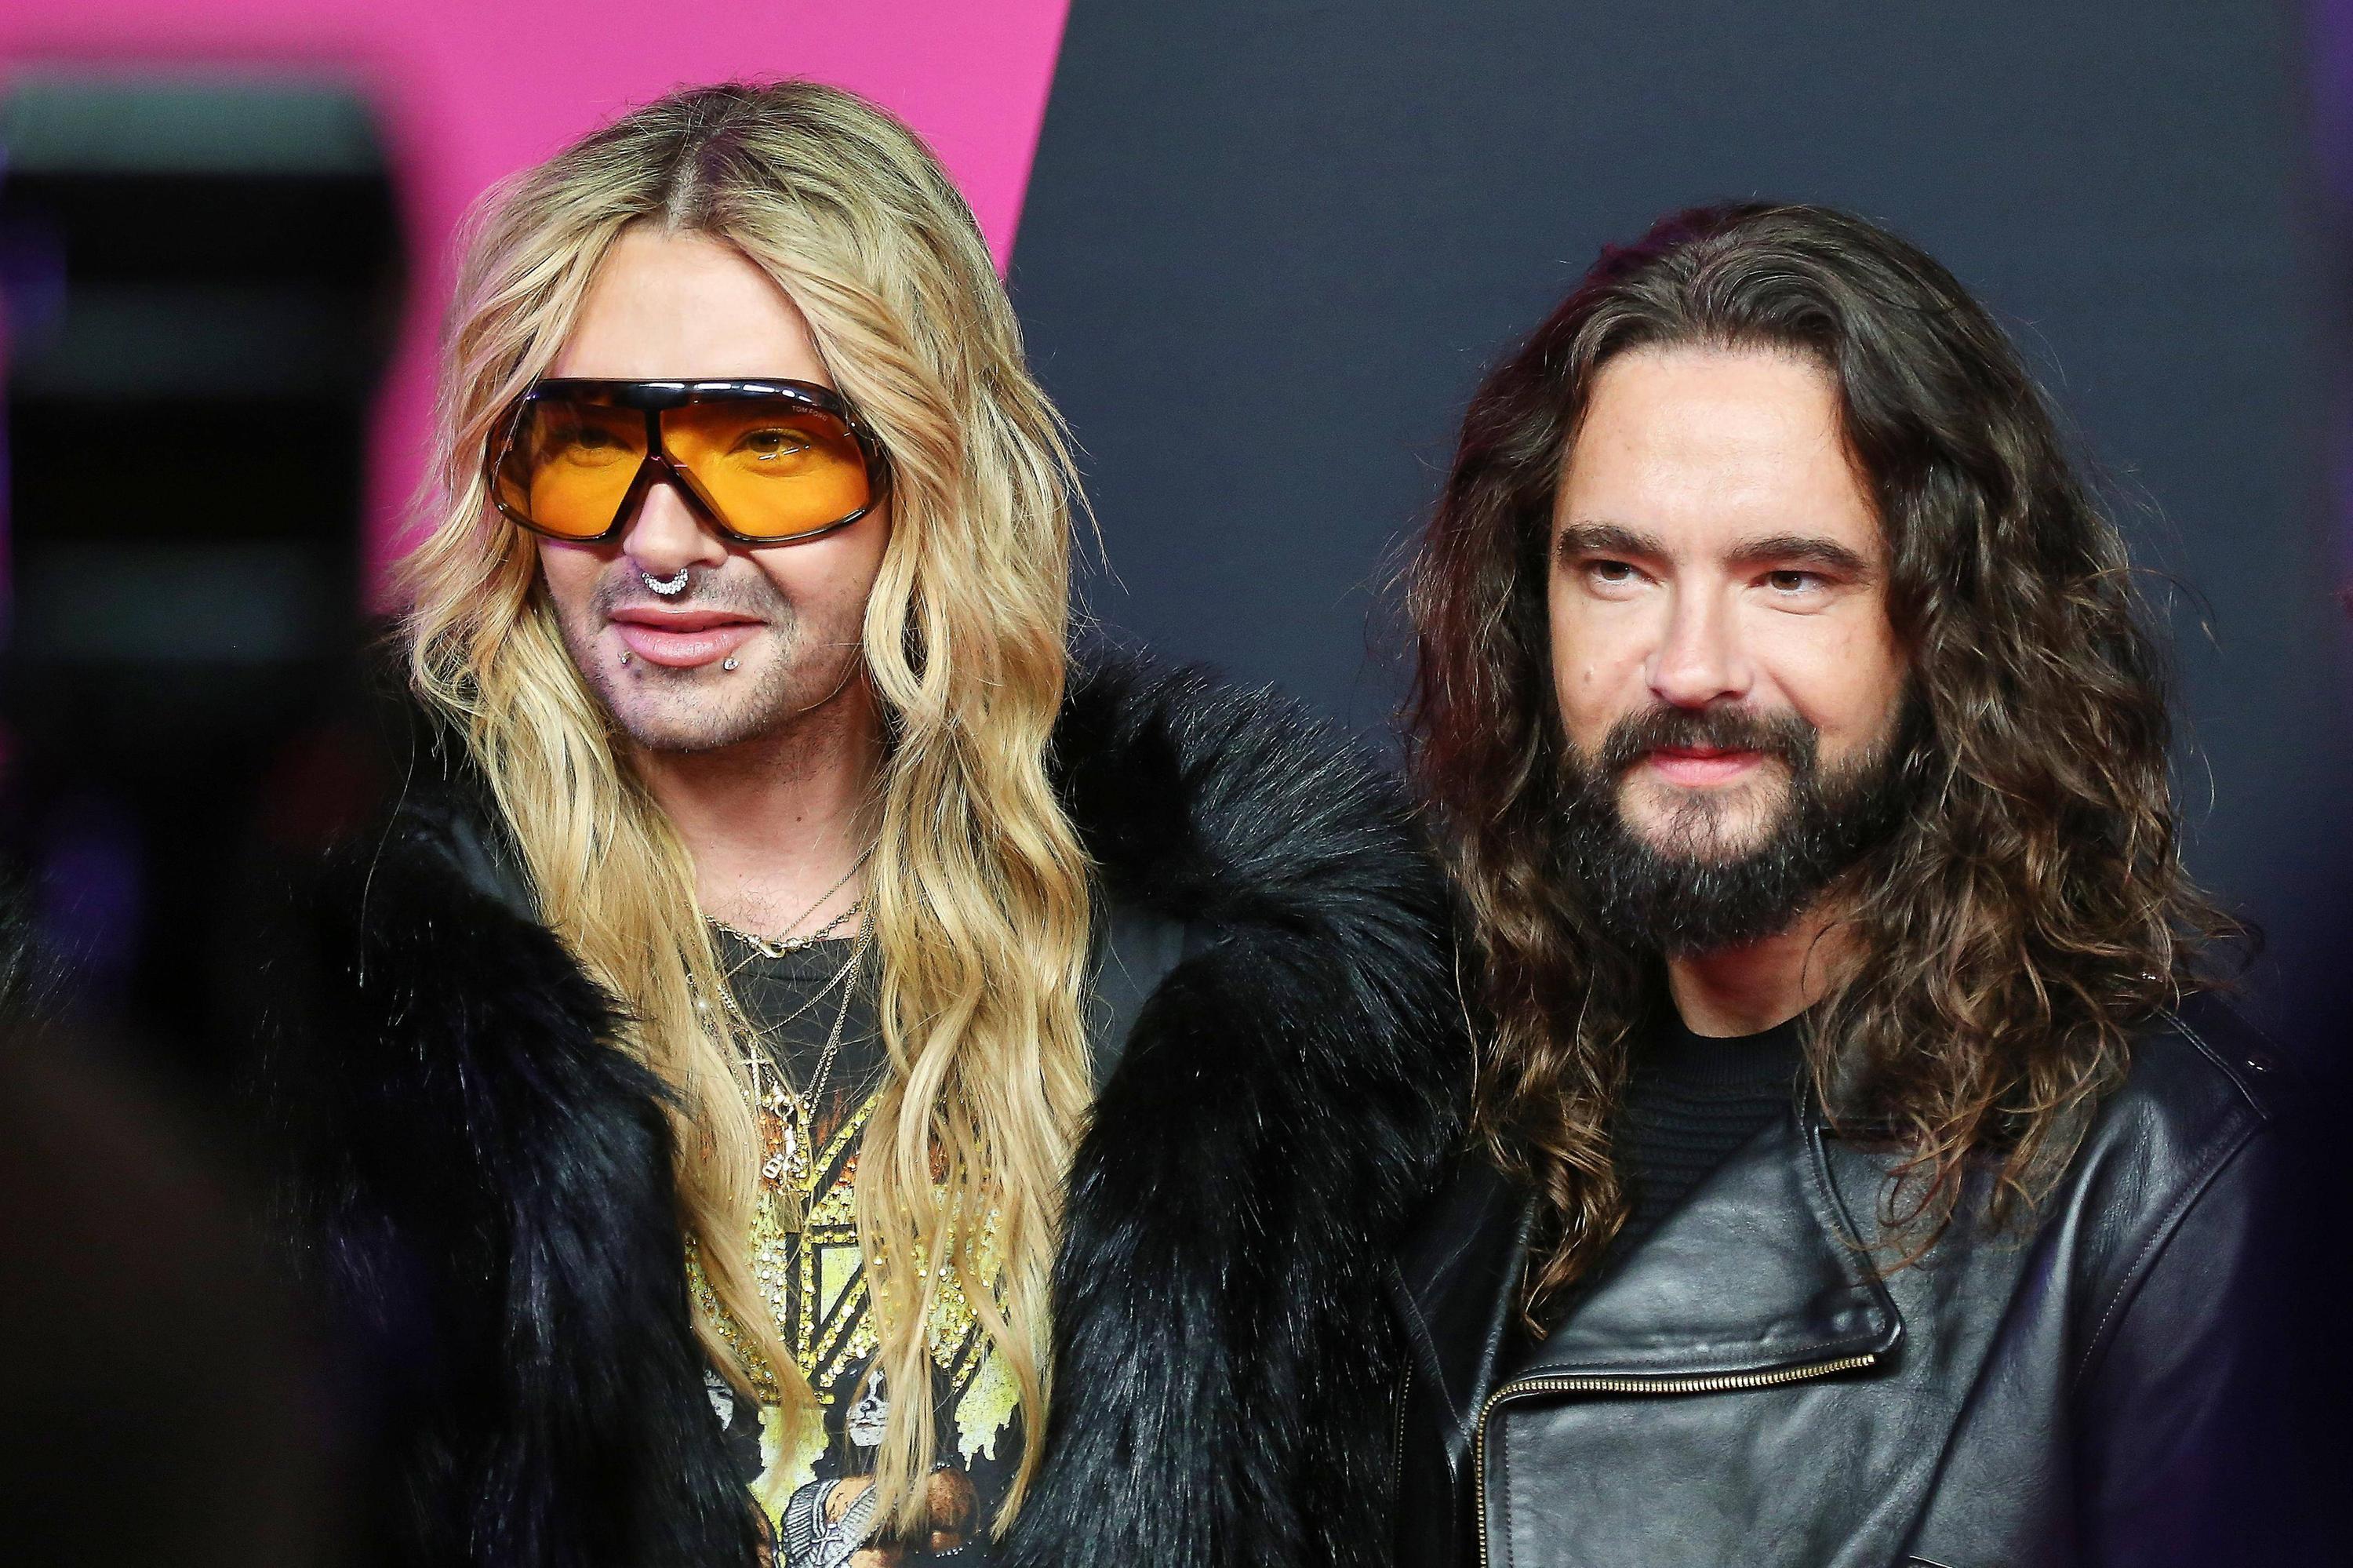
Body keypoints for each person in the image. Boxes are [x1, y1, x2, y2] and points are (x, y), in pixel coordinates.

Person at [265, 81, 1461, 1568]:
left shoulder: (1216, 993)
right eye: (588, 443)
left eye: (766, 450)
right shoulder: (336, 979)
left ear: (930, 469)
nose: (658, 540)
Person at [1392, 202, 2317, 1567]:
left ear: (1943, 626)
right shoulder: (1420, 1112)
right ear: (1531, 612)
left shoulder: (2165, 1186)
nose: (1690, 666)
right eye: (1618, 570)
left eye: (1789, 578)